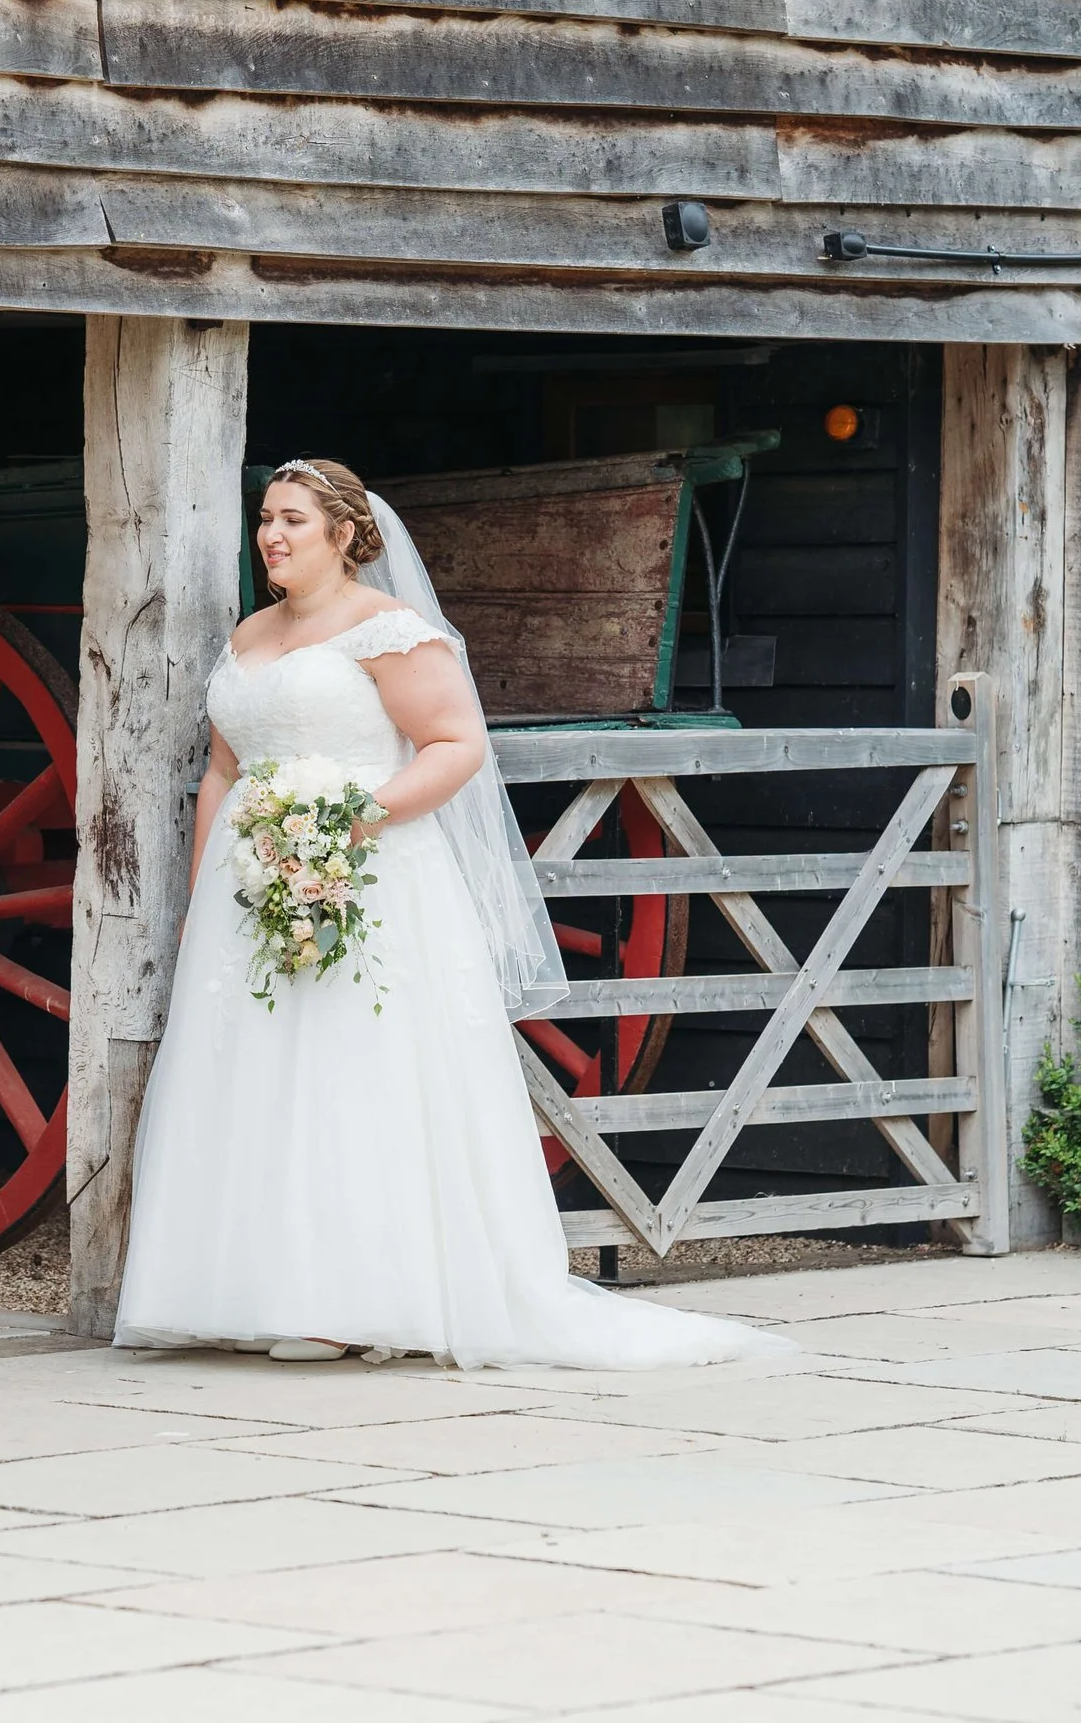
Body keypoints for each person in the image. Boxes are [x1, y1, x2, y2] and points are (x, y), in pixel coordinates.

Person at [114, 457, 785, 1370]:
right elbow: (225, 773)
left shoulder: (388, 629)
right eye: (267, 518)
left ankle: (352, 1302)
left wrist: (354, 822)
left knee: (347, 1076)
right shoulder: (250, 633)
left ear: (345, 535)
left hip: (369, 877)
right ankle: (239, 1286)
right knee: (251, 1081)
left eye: (294, 520)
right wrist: (205, 901)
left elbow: (456, 743)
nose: (272, 534)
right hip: (252, 886)